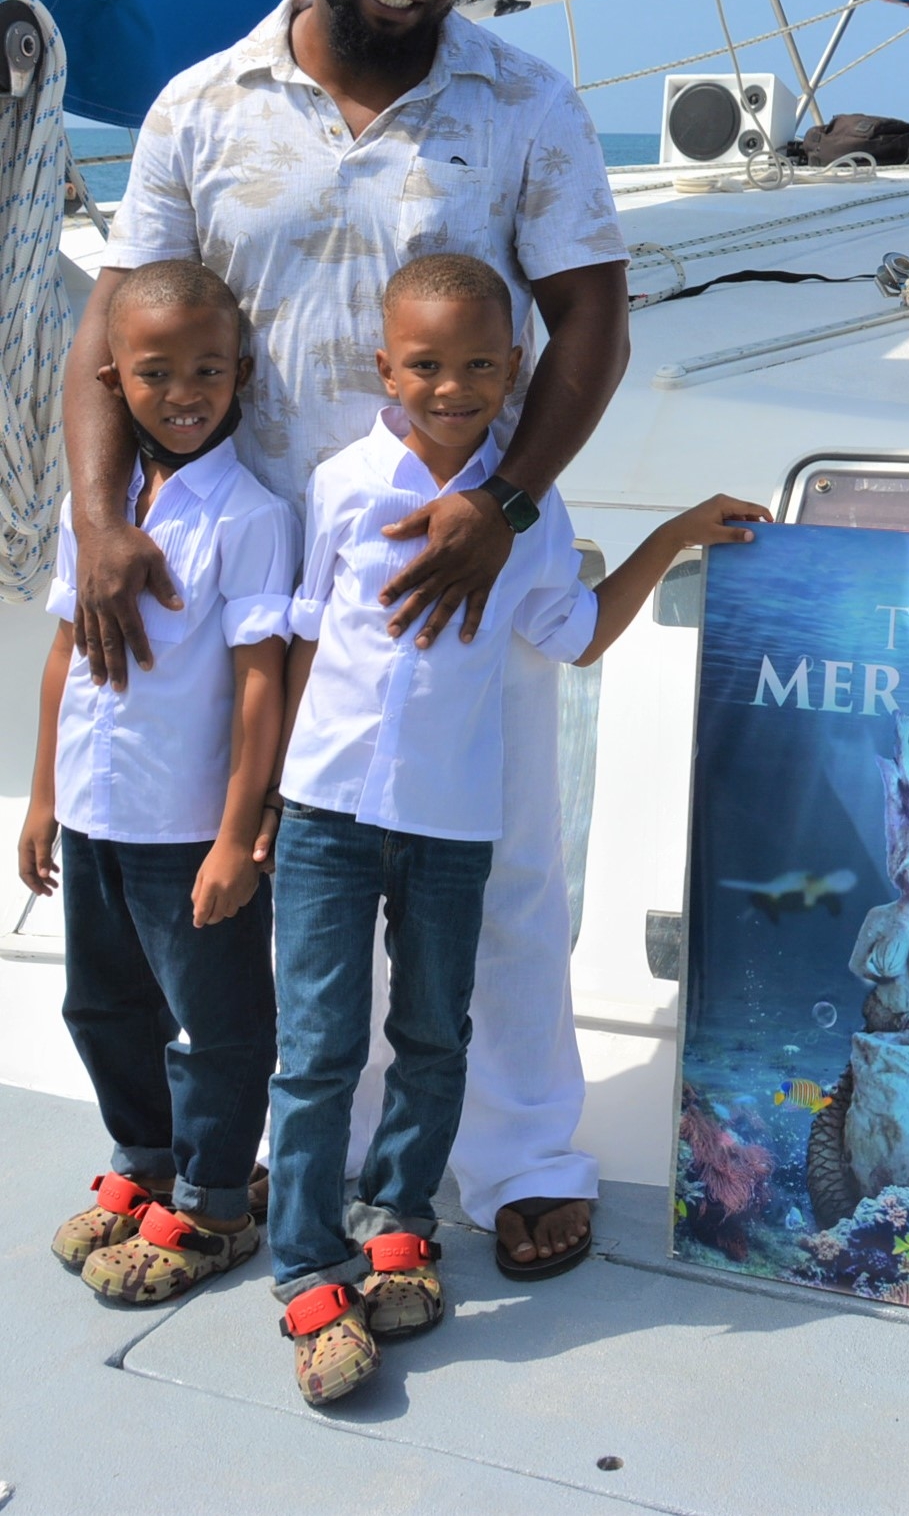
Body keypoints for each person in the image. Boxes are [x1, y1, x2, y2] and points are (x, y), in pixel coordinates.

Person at [65, 0, 631, 1274]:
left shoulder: (525, 103)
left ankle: (521, 1157)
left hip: (461, 557)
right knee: (247, 861)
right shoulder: (201, 103)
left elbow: (590, 315)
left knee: (495, 869)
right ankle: (254, 1151)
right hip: (251, 573)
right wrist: (101, 517)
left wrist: (506, 504)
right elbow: (108, 329)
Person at [264, 252, 767, 1405]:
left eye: (478, 366)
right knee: (323, 1041)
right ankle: (304, 1256)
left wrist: (681, 532)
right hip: (329, 814)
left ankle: (396, 1223)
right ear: (382, 367)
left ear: (518, 368)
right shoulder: (343, 483)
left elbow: (579, 633)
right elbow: (303, 638)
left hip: (451, 824)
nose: (450, 387)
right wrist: (260, 809)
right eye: (425, 366)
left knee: (436, 1033)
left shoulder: (530, 515)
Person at [20, 262, 295, 1303]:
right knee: (102, 1006)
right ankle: (149, 1159)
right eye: (156, 373)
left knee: (215, 1021)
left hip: (186, 825)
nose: (186, 391)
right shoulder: (97, 513)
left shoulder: (252, 518)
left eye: (208, 369)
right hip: (95, 815)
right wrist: (45, 797)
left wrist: (238, 833)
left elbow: (261, 682)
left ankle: (220, 1199)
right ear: (111, 378)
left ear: (242, 375)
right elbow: (63, 655)